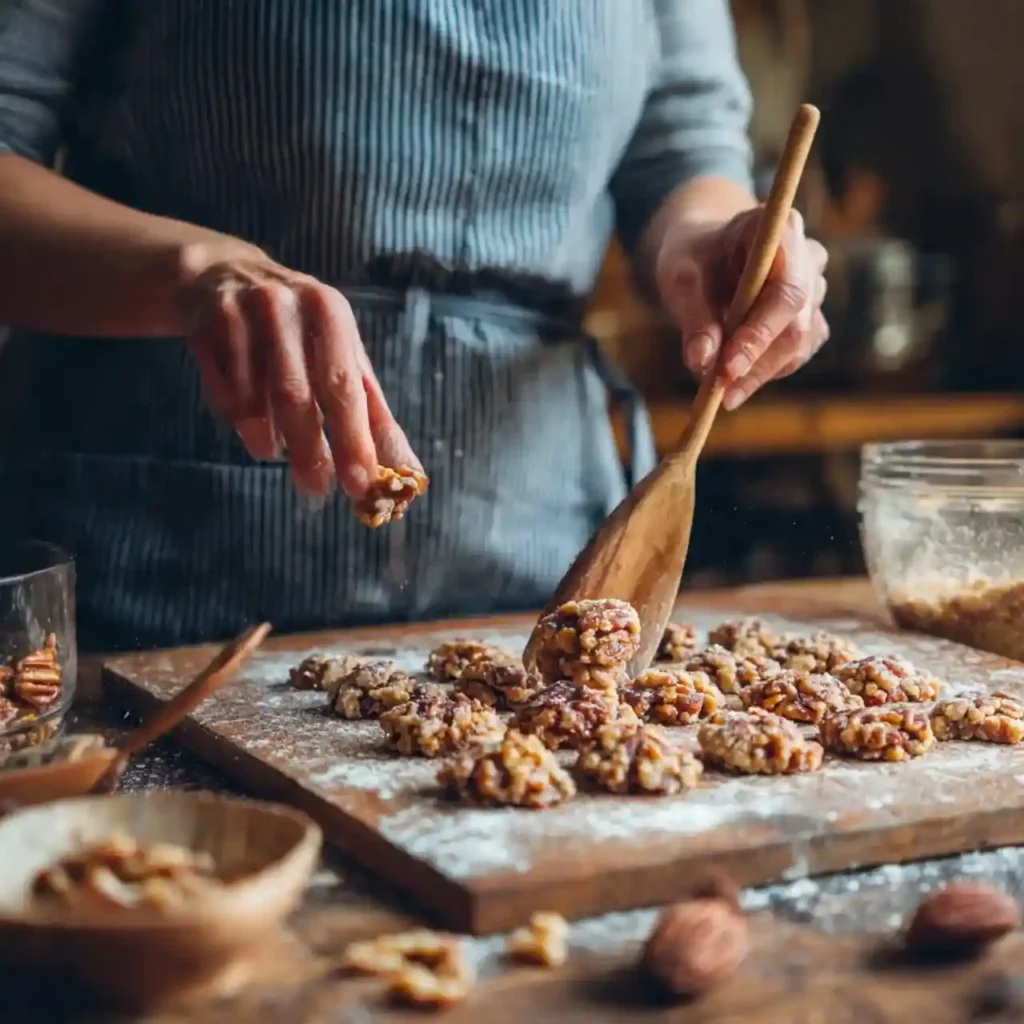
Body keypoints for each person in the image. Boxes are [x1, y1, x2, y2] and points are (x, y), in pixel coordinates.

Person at [0, 1, 828, 651]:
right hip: (159, 559)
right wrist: (192, 273)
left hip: (531, 548)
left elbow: (682, 159)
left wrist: (715, 248)